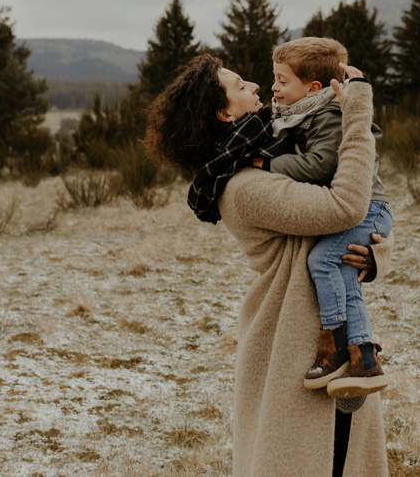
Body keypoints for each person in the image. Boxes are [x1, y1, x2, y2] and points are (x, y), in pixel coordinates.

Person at [144, 54, 392, 477]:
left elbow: (357, 217)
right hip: (291, 343)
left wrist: (374, 256)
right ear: (224, 113)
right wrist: (357, 107)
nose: (256, 87)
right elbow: (348, 203)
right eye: (240, 86)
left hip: (333, 332)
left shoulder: (276, 149)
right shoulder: (244, 186)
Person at [258, 38, 391, 398]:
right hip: (366, 210)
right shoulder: (301, 114)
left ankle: (335, 344)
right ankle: (363, 359)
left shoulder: (326, 113)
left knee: (324, 260)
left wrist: (269, 165)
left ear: (313, 88)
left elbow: (324, 163)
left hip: (368, 208)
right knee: (343, 278)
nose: (274, 87)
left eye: (282, 80)